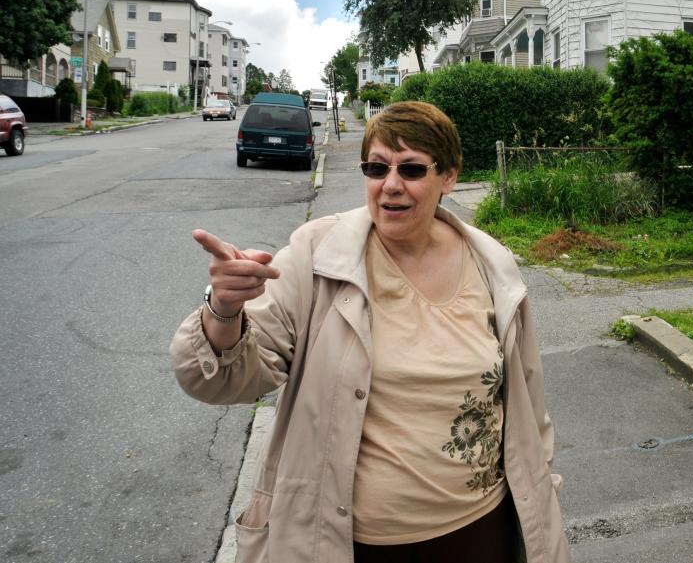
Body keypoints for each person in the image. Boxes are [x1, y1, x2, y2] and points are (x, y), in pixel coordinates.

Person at [171, 101, 568, 563]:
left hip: (480, 530)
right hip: (352, 544)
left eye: (413, 169)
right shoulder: (317, 255)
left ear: (450, 176)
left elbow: (527, 398)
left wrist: (542, 487)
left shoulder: (491, 263)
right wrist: (225, 309)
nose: (391, 185)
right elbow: (220, 380)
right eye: (377, 168)